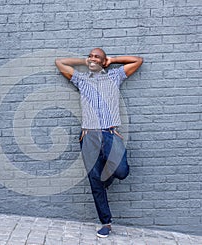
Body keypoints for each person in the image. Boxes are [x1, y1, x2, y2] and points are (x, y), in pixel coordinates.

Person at [55, 48, 143, 238]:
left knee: (122, 171)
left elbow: (137, 60)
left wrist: (113, 60)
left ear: (104, 62)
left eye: (97, 57)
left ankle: (106, 179)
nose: (93, 59)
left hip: (111, 134)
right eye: (91, 56)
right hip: (89, 136)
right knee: (95, 180)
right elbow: (60, 62)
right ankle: (106, 223)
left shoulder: (114, 77)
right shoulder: (81, 79)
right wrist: (84, 61)